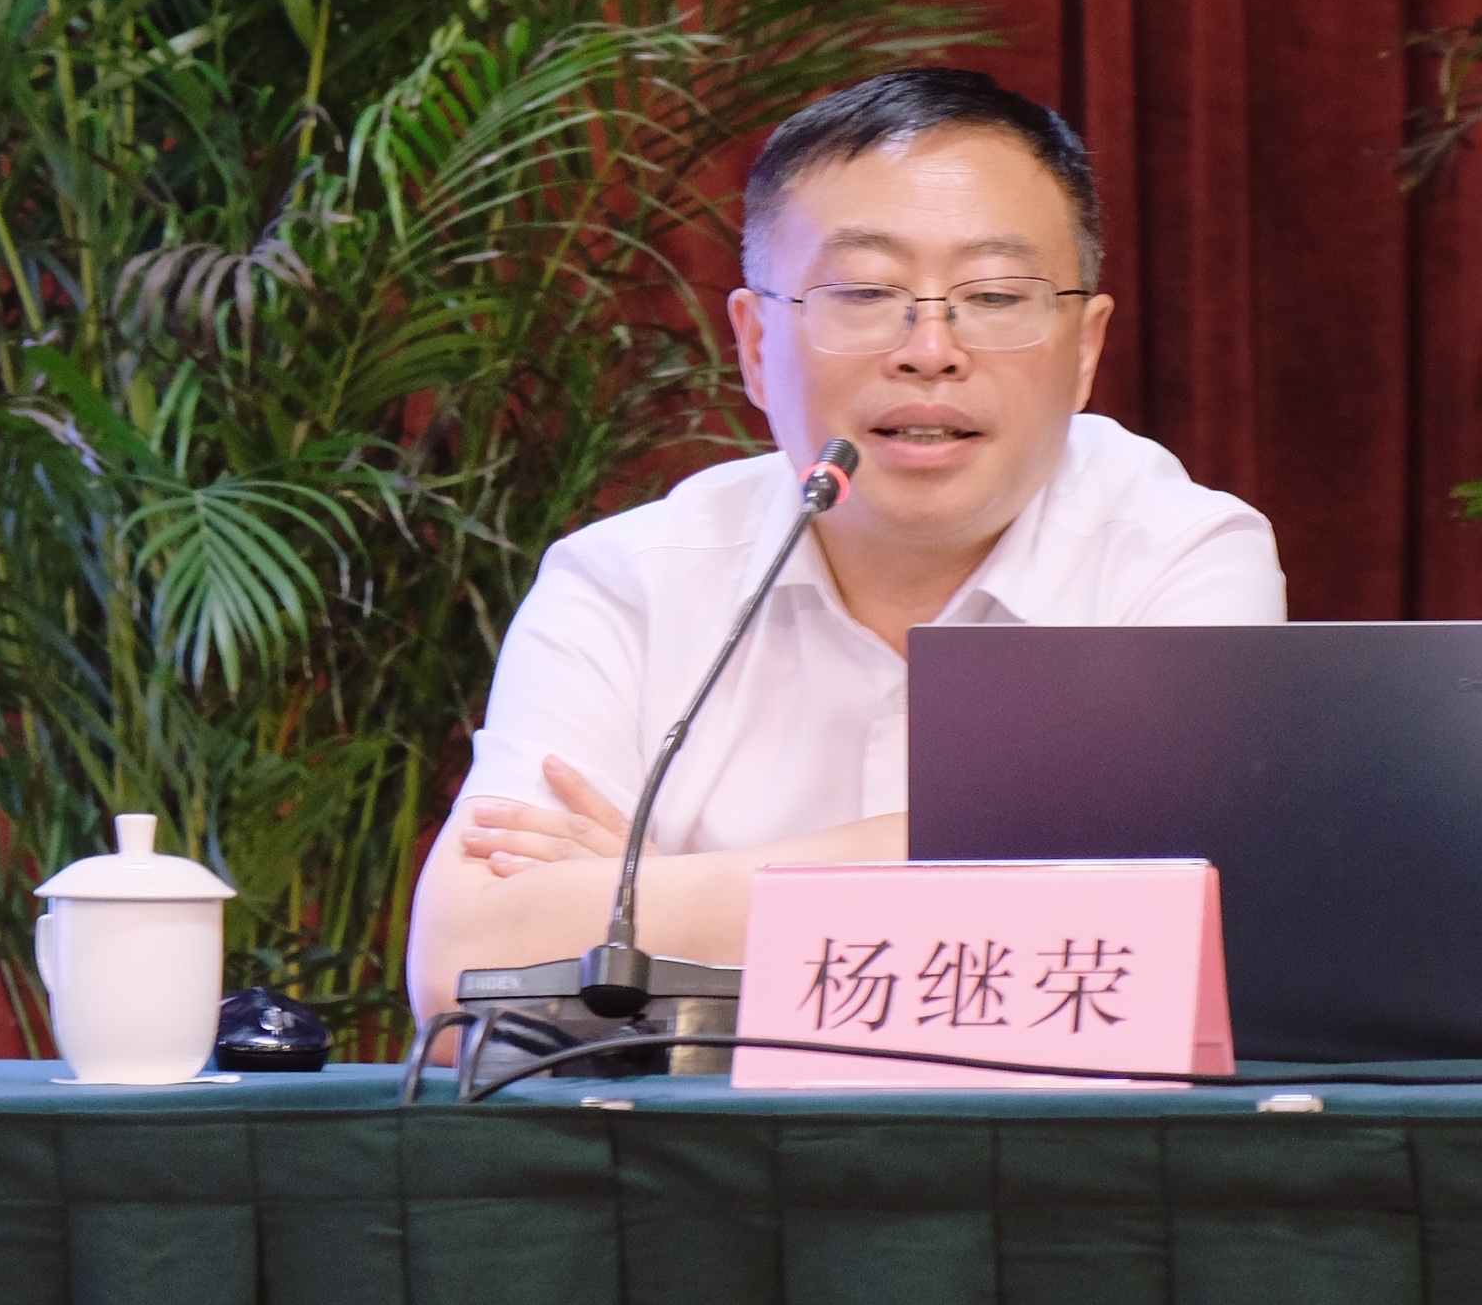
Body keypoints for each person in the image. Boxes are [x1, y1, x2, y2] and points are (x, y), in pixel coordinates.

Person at [402, 67, 1284, 1016]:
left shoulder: (1180, 556)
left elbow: (1176, 937)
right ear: (753, 345)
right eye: (863, 291)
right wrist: (1007, 872)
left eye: (995, 296)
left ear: (1084, 349)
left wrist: (647, 900)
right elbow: (465, 973)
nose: (930, 351)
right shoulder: (626, 583)